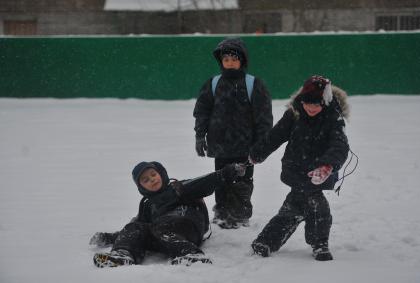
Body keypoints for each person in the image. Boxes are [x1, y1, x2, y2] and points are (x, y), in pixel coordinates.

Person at [249, 75, 350, 261]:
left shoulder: (333, 118)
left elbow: (340, 145)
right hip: (295, 168)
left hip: (319, 172)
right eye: (307, 103)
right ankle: (310, 242)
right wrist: (258, 153)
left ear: (325, 102)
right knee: (296, 206)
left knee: (312, 203)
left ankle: (317, 243)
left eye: (316, 104)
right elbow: (275, 136)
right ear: (301, 100)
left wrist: (328, 165)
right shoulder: (293, 114)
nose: (311, 108)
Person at [90, 160, 246, 267]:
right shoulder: (147, 205)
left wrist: (228, 172)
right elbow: (136, 228)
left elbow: (206, 181)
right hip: (163, 234)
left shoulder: (179, 187)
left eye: (153, 174)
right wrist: (109, 238)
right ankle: (122, 255)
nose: (151, 179)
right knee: (136, 226)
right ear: (141, 187)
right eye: (145, 180)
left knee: (161, 227)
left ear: (161, 173)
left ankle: (191, 254)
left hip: (189, 228)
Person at [193, 37, 273, 229]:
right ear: (221, 61)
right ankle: (221, 214)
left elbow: (264, 117)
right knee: (221, 179)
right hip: (220, 146)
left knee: (242, 182)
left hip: (246, 147)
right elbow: (202, 112)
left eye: (234, 59)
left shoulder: (253, 84)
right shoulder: (212, 83)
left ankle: (240, 215)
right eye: (226, 59)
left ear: (242, 61)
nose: (229, 63)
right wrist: (199, 135)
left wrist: (261, 143)